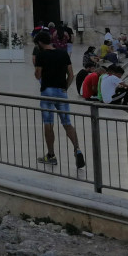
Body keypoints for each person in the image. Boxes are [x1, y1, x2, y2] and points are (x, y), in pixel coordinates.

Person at [32, 30, 86, 169]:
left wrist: (39, 75)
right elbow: (71, 74)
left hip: (47, 91)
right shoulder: (63, 53)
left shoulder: (41, 55)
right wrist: (64, 88)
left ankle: (51, 155)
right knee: (67, 123)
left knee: (49, 124)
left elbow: (38, 74)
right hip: (62, 92)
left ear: (39, 42)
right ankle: (77, 149)